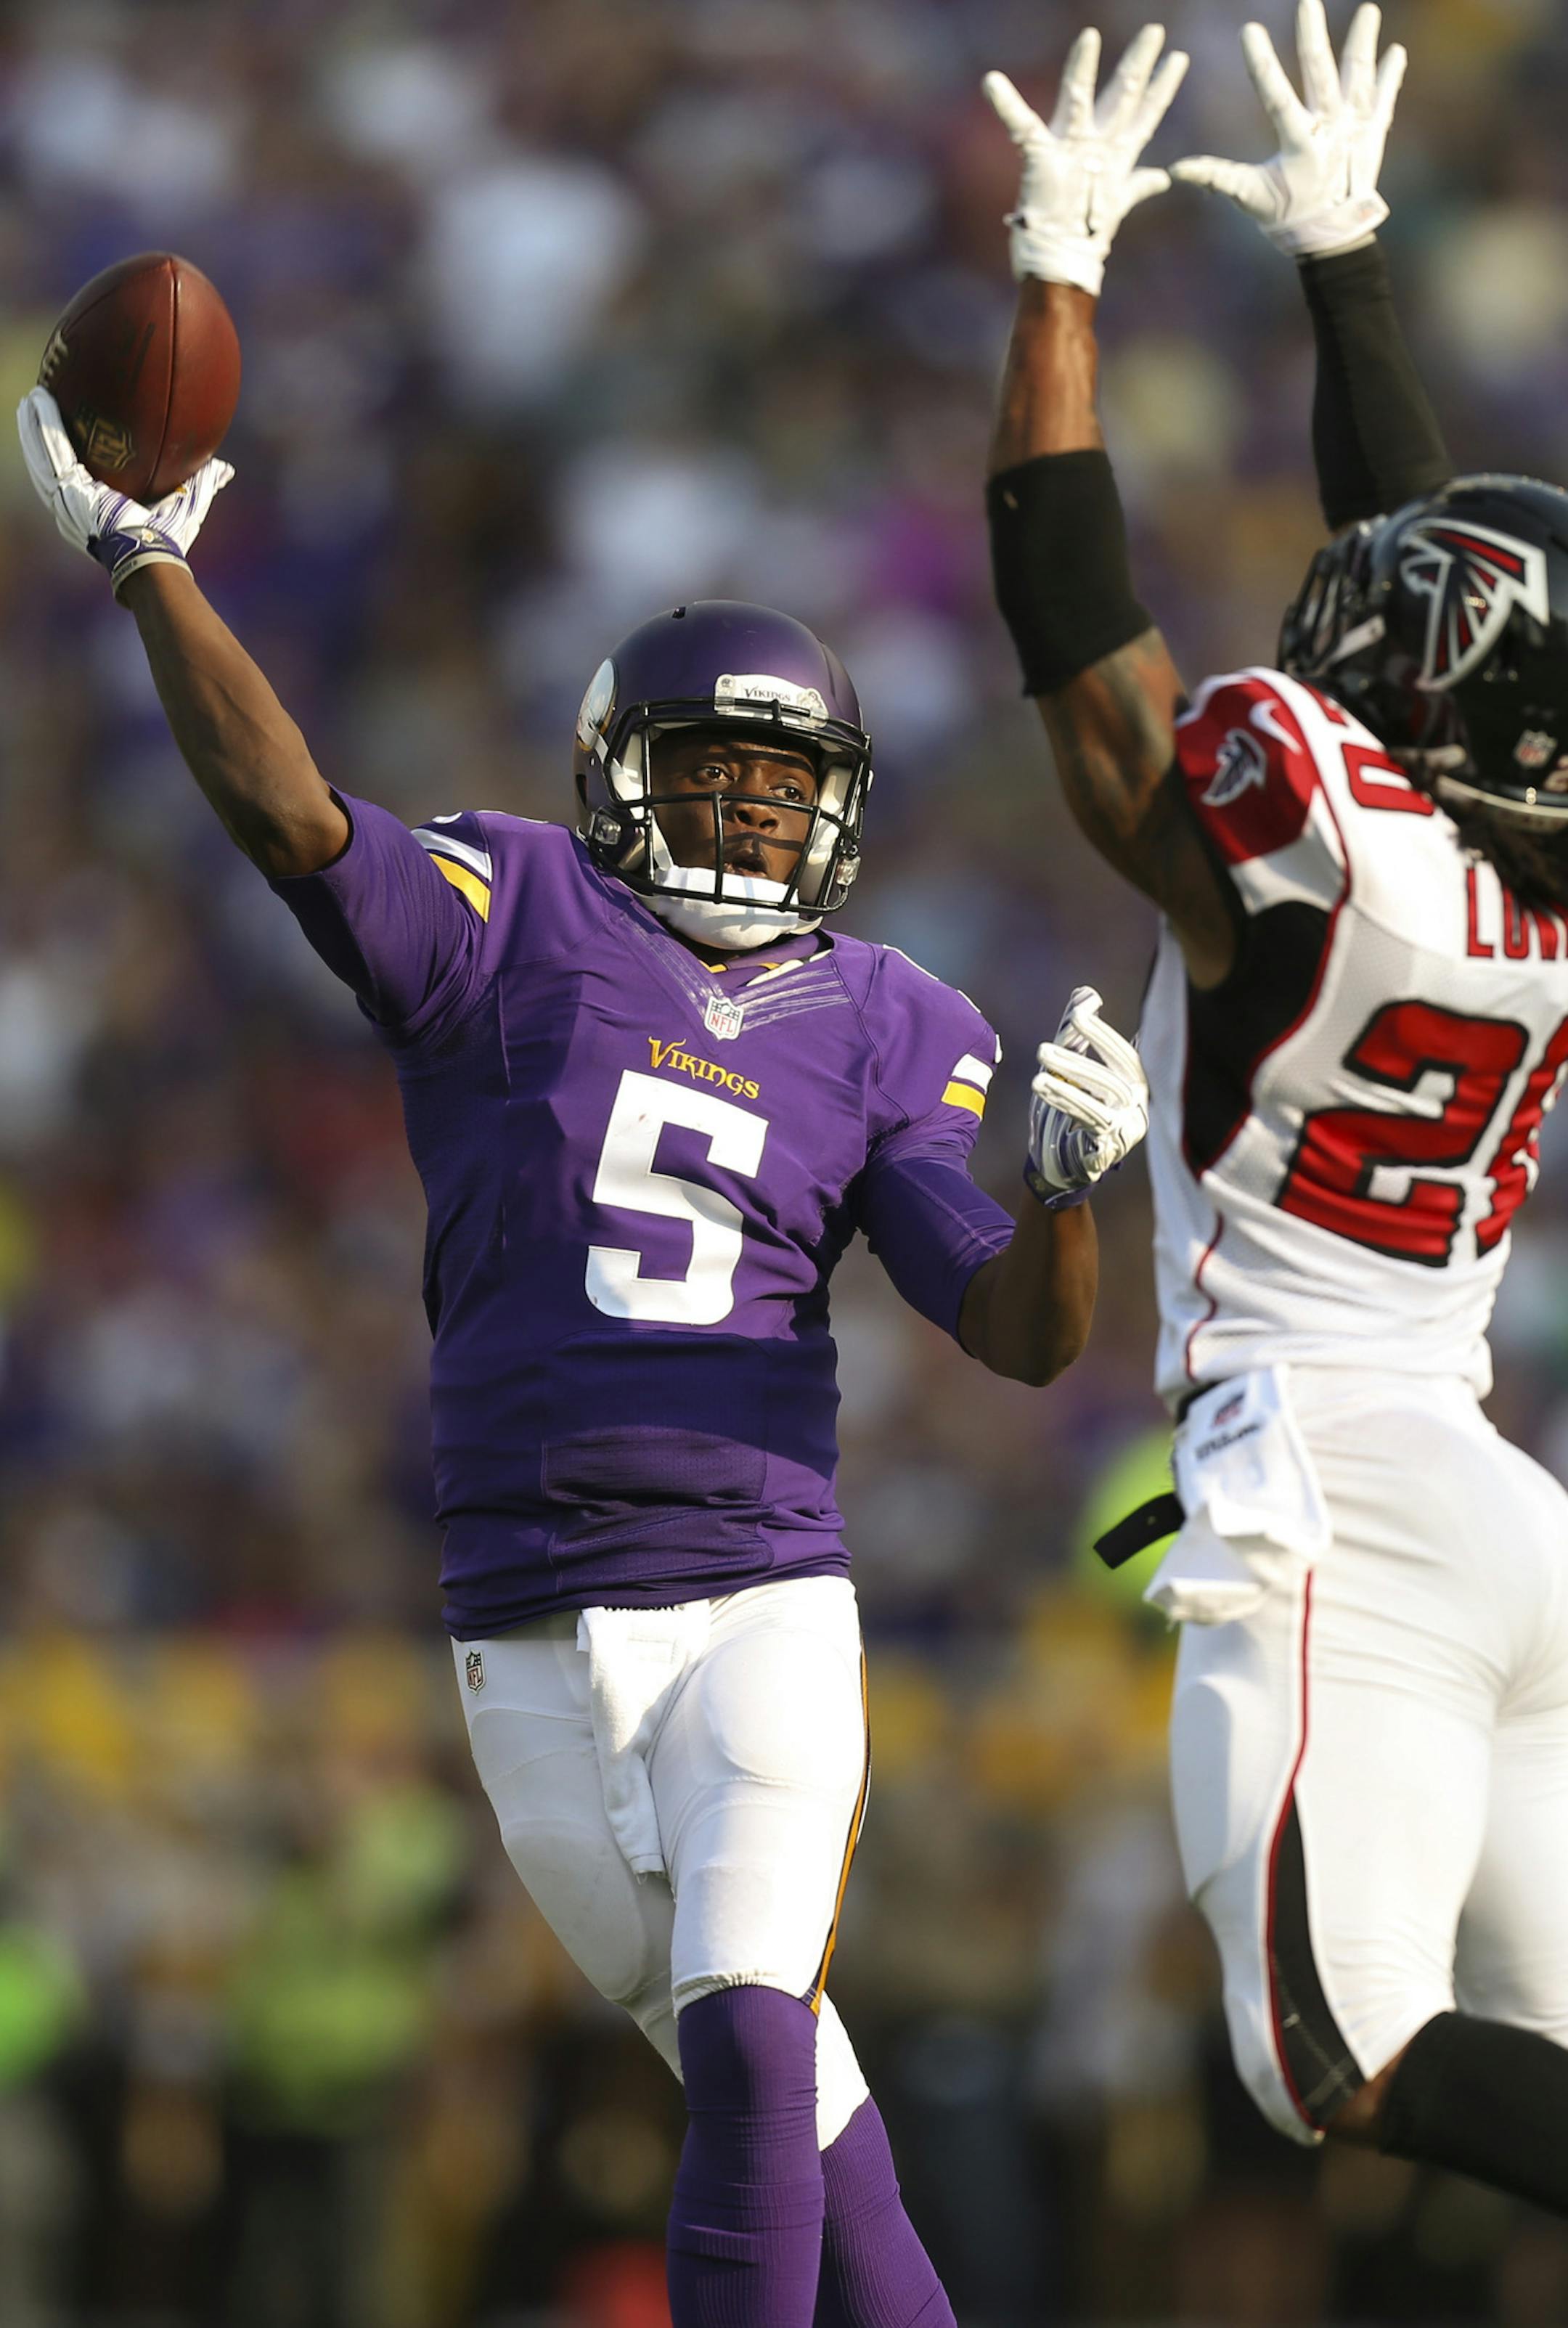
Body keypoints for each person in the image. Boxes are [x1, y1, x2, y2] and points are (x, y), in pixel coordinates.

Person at [16, 377, 1148, 2316]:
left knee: (748, 2041)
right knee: (811, 2124)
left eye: (787, 785)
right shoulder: (507, 904)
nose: (750, 809)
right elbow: (291, 813)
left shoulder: (885, 1014)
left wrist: (1064, 1196)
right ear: (624, 772)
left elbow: (1017, 1336)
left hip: (761, 1594)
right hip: (525, 1616)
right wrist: (150, 571)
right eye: (715, 771)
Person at [983, 0, 1568, 2217]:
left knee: (1337, 2056)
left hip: (1330, 1488)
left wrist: (1056, 272)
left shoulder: (1321, 830)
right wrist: (1351, 269)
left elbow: (1077, 648)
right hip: (1505, 1509)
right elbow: (1444, 577)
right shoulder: (1517, 871)